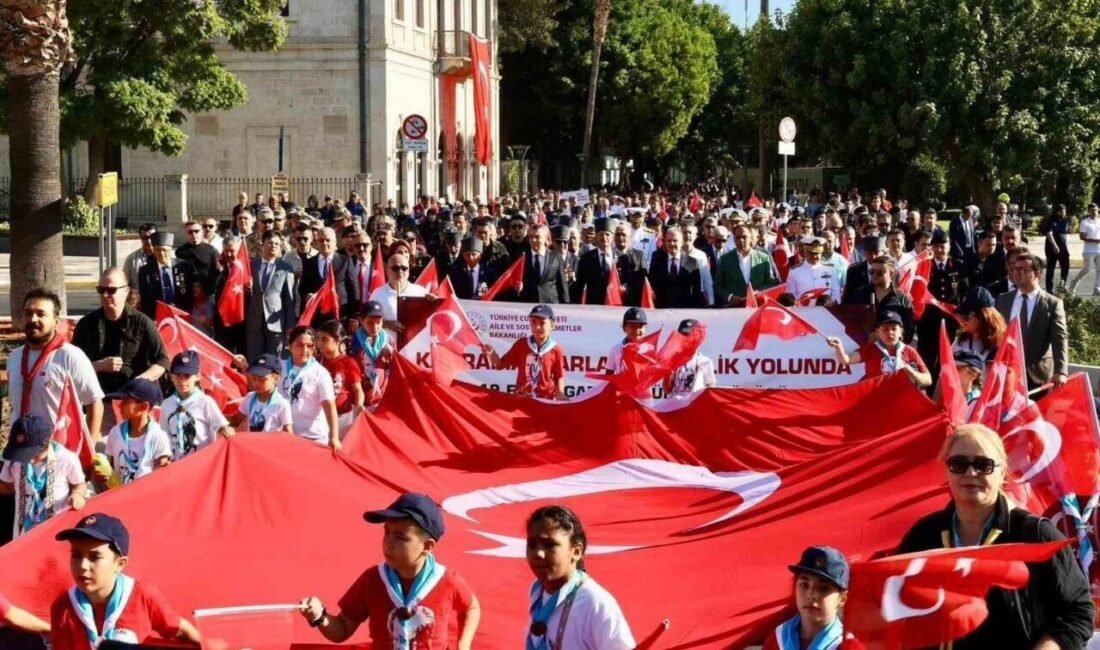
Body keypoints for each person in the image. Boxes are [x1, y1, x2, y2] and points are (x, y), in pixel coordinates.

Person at [896, 424, 1094, 649]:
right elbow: (894, 604)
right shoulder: (924, 536)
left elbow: (1078, 611)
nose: (970, 473)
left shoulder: (1034, 534)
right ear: (947, 470)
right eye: (958, 464)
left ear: (1003, 472)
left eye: (983, 465)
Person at [299, 493, 481, 649]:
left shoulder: (448, 580)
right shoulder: (372, 580)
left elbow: (472, 607)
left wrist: (463, 645)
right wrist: (319, 616)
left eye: (400, 537)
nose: (389, 543)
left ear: (427, 546)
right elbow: (342, 630)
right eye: (386, 533)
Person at [50, 513, 203, 649]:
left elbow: (180, 630)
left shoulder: (142, 595)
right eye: (76, 555)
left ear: (120, 563)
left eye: (95, 557)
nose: (83, 566)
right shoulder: (63, 607)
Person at [524, 505, 635, 650]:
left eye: (549, 545)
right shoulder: (537, 590)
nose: (538, 553)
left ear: (576, 551)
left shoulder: (595, 603)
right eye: (532, 545)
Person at [73, 268, 169, 431]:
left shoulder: (142, 323)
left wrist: (140, 381)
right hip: (100, 402)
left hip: (134, 402)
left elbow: (162, 360)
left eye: (111, 290)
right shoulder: (86, 325)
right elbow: (72, 367)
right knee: (102, 452)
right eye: (101, 290)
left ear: (125, 291)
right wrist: (99, 365)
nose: (105, 295)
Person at [10, 288, 105, 444]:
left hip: (59, 455)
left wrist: (89, 452)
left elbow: (94, 402)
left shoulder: (70, 356)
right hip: (19, 451)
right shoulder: (14, 358)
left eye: (41, 314)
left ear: (56, 321)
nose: (33, 319)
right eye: (28, 313)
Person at [0, 415, 87, 539]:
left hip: (56, 531)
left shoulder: (67, 459)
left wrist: (77, 494)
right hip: (22, 533)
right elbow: (7, 487)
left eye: (33, 455)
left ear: (47, 443)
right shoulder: (14, 459)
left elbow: (79, 484)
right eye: (23, 454)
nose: (29, 460)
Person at [995, 252, 1069, 390]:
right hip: (1006, 372)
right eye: (1015, 269)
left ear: (1038, 274)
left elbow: (1060, 338)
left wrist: (1061, 371)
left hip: (1037, 374)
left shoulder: (1052, 304)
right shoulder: (1003, 300)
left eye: (1023, 269)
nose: (1017, 273)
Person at [762, 546, 849, 650]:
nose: (811, 595)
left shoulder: (845, 645)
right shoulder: (778, 638)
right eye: (804, 585)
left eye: (823, 588)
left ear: (842, 598)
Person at [97, 378, 171, 490]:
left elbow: (162, 473)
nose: (119, 405)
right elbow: (110, 468)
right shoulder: (115, 433)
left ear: (143, 407)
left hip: (146, 496)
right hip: (119, 497)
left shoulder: (158, 436)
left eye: (126, 401)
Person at [482, 304, 567, 400]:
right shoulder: (522, 344)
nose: (537, 327)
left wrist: (560, 393)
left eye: (542, 323)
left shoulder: (556, 350)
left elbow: (559, 376)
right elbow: (500, 365)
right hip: (522, 401)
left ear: (552, 325)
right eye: (533, 322)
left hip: (546, 401)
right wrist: (492, 355)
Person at [158, 352, 232, 460]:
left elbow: (221, 426)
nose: (182, 381)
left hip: (201, 462)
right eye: (178, 375)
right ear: (171, 377)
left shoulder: (205, 402)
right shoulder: (167, 404)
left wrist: (225, 429)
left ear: (197, 376)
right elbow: (164, 433)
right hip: (176, 465)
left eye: (187, 376)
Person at [827, 311, 931, 387]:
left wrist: (912, 373)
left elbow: (928, 380)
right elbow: (846, 360)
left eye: (894, 329)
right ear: (878, 333)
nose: (890, 333)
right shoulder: (871, 349)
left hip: (901, 401)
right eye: (885, 329)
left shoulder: (909, 351)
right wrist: (838, 346)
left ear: (901, 332)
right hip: (876, 400)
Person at [247, 230, 298, 360]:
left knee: (276, 359)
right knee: (255, 359)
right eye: (270, 243)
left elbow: (289, 299)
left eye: (277, 244)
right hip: (255, 321)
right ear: (262, 244)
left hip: (276, 321)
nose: (273, 246)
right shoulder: (251, 266)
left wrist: (290, 324)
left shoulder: (286, 268)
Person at [844, 256, 915, 343]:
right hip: (864, 347)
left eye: (880, 273)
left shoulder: (902, 300)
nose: (874, 275)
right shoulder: (859, 294)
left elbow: (908, 329)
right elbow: (849, 319)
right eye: (872, 271)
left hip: (890, 349)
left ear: (891, 274)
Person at [316, 320, 364, 437]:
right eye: (318, 339)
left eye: (324, 339)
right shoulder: (315, 362)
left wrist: (359, 406)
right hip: (320, 416)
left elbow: (357, 389)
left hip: (342, 417)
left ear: (337, 340)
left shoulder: (348, 363)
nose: (320, 343)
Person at [370, 250, 432, 337]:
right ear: (387, 271)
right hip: (387, 347)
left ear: (409, 271)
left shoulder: (421, 292)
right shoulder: (378, 294)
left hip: (414, 346)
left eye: (404, 268)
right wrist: (387, 324)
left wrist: (435, 303)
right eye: (396, 268)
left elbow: (432, 320)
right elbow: (369, 320)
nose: (400, 271)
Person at [715, 224, 779, 306]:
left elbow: (771, 282)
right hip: (734, 308)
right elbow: (718, 285)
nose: (741, 240)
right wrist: (730, 297)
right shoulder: (725, 259)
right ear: (734, 240)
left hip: (757, 306)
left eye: (744, 237)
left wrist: (759, 292)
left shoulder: (763, 258)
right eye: (738, 237)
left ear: (751, 238)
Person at [136, 232, 195, 319]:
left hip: (182, 314)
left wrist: (188, 314)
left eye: (165, 250)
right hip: (158, 316)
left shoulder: (183, 266)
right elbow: (144, 298)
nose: (162, 254)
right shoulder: (146, 271)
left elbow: (190, 292)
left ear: (171, 250)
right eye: (158, 250)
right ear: (153, 251)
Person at [230, 353, 293, 433]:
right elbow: (236, 420)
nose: (256, 383)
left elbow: (288, 435)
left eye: (262, 379)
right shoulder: (250, 397)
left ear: (276, 378)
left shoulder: (282, 404)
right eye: (254, 378)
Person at [349, 301, 393, 409]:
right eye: (370, 323)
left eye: (379, 322)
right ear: (361, 320)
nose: (375, 327)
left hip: (383, 396)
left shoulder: (387, 339)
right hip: (361, 397)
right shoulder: (353, 340)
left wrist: (391, 356)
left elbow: (394, 367)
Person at [299, 227, 351, 318]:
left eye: (328, 240)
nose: (324, 243)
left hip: (339, 313)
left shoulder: (345, 261)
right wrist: (307, 296)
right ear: (316, 242)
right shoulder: (308, 263)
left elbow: (352, 288)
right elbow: (302, 289)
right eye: (321, 240)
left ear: (335, 242)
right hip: (316, 315)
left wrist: (352, 314)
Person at [648, 228, 705, 308]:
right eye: (669, 240)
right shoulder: (657, 261)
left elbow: (697, 291)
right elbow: (652, 285)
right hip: (662, 310)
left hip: (684, 310)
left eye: (675, 240)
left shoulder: (691, 262)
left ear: (681, 242)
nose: (672, 243)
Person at [517, 225, 570, 304]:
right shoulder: (521, 256)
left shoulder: (556, 257)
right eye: (531, 236)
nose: (533, 240)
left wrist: (566, 305)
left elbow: (562, 284)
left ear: (545, 238)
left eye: (537, 237)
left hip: (550, 304)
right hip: (528, 304)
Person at [663, 320, 717, 397]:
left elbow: (711, 388)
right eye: (683, 335)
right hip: (675, 406)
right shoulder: (672, 359)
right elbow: (667, 390)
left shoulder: (705, 361)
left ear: (698, 336)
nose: (686, 338)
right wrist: (668, 374)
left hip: (695, 407)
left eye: (690, 335)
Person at [953, 287, 1006, 364]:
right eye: (961, 316)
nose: (962, 320)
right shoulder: (959, 342)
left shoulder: (1002, 345)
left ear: (983, 317)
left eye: (966, 316)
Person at [786, 237, 841, 305]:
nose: (814, 256)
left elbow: (836, 294)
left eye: (817, 253)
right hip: (803, 312)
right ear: (805, 251)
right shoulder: (794, 272)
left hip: (826, 311)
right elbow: (791, 298)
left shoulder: (830, 269)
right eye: (811, 253)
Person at [175, 221, 220, 292]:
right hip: (188, 292)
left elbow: (217, 272)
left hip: (207, 293)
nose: (194, 234)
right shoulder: (180, 251)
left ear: (202, 232)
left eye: (196, 231)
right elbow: (179, 274)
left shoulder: (211, 250)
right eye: (190, 232)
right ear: (186, 234)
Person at [1069, 202, 1100, 295]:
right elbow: (1082, 237)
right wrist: (1095, 240)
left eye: (1096, 210)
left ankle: (1097, 288)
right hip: (1089, 250)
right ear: (1088, 211)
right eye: (1092, 210)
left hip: (1099, 250)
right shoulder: (1085, 222)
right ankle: (1073, 284)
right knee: (1086, 269)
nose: (1094, 212)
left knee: (1099, 270)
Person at [1039, 203, 1071, 292]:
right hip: (1052, 246)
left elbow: (1066, 233)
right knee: (1051, 268)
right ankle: (1049, 289)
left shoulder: (1066, 220)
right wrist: (1054, 246)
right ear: (1057, 211)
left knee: (1065, 266)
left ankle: (1062, 286)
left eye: (1064, 211)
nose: (1063, 213)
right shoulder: (1051, 220)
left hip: (1063, 247)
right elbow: (1049, 234)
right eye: (1061, 211)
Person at [606, 307, 647, 374]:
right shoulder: (616, 350)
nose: (637, 330)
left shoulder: (650, 349)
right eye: (632, 326)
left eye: (640, 327)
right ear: (624, 328)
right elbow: (608, 376)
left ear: (645, 328)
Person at [122, 224, 157, 291]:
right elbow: (124, 284)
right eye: (145, 238)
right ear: (140, 238)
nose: (149, 241)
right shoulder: (131, 259)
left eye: (152, 237)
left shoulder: (166, 257)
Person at [954, 350, 985, 415]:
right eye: (952, 367)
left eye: (958, 369)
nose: (952, 371)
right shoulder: (950, 393)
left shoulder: (977, 402)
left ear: (973, 375)